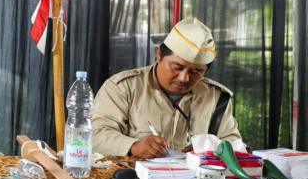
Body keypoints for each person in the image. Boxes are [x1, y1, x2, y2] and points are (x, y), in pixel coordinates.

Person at [91, 17, 240, 159]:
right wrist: (134, 146)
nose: (184, 78)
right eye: (177, 67)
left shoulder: (216, 97)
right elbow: (96, 135)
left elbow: (235, 145)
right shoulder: (123, 87)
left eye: (196, 72)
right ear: (158, 54)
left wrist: (211, 150)